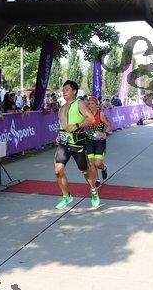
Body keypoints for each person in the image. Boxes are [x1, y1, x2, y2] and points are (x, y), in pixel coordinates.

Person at [53, 80, 100, 210]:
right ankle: (66, 196)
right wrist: (59, 134)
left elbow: (91, 119)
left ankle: (93, 190)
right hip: (64, 143)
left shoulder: (79, 103)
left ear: (74, 91)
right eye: (63, 90)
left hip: (78, 143)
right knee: (58, 170)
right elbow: (63, 125)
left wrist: (77, 125)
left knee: (85, 171)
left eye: (67, 90)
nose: (64, 92)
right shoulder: (62, 107)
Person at [86, 96, 113, 187]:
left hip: (100, 142)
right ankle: (97, 180)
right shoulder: (87, 114)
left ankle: (103, 168)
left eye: (92, 103)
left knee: (97, 163)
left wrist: (105, 133)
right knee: (91, 163)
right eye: (89, 104)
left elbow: (109, 125)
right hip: (89, 141)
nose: (90, 105)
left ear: (97, 105)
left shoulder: (101, 114)